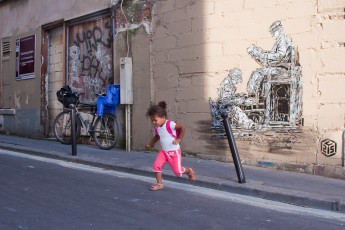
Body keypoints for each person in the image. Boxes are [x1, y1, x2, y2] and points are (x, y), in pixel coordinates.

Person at [145, 101, 196, 191]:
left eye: (155, 120)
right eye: (152, 120)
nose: (153, 122)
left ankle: (189, 171)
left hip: (174, 152)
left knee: (178, 172)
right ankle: (159, 184)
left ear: (163, 118)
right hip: (164, 152)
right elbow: (157, 136)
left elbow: (182, 127)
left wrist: (179, 139)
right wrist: (150, 144)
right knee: (156, 166)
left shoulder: (170, 124)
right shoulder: (158, 128)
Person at [246, 20, 294, 94]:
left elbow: (280, 55)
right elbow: (274, 55)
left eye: (273, 32)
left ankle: (253, 95)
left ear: (279, 30)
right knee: (258, 73)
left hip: (282, 69)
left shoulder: (282, 40)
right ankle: (256, 94)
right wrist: (261, 53)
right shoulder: (280, 40)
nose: (272, 35)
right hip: (279, 67)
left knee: (258, 73)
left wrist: (265, 55)